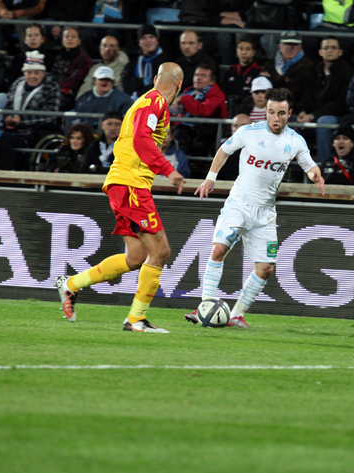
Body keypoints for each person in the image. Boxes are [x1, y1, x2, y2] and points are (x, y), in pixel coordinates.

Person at [55, 62, 187, 333]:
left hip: (121, 184)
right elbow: (141, 140)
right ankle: (136, 319)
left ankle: (72, 285)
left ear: (155, 78)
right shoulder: (156, 102)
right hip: (131, 185)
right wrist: (168, 170)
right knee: (161, 251)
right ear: (180, 86)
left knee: (137, 256)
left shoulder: (144, 101)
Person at [187, 87, 325, 329]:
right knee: (218, 250)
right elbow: (224, 151)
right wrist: (210, 178)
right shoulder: (248, 132)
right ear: (265, 111)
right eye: (271, 112)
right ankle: (206, 306)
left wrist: (316, 176)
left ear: (289, 113)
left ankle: (236, 315)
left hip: (265, 213)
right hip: (238, 204)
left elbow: (309, 165)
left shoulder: (295, 141)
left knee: (265, 269)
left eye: (281, 113)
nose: (275, 118)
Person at [296, 36, 354, 165]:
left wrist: (312, 116)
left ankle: (323, 166)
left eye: (333, 48)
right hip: (313, 116)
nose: (329, 51)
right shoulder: (315, 70)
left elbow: (340, 104)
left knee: (324, 122)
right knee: (290, 121)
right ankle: (288, 167)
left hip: (336, 117)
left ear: (340, 52)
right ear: (320, 52)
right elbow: (307, 96)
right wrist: (303, 112)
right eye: (326, 48)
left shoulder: (347, 72)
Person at [0, 50, 62, 143]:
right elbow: (9, 103)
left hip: (36, 130)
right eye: (29, 73)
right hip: (12, 128)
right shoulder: (17, 83)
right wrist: (7, 116)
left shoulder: (52, 86)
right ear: (24, 73)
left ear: (43, 73)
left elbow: (51, 115)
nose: (33, 76)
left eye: (36, 73)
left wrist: (21, 121)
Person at [170, 62, 227, 157]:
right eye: (196, 75)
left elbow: (202, 111)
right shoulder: (189, 91)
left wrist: (184, 99)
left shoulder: (217, 94)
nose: (198, 78)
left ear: (211, 81)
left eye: (203, 75)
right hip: (185, 131)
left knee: (179, 133)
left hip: (205, 135)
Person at [261, 30, 314, 109]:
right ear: (280, 46)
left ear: (300, 47)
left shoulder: (308, 66)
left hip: (295, 108)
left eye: (295, 44)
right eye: (286, 44)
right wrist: (285, 80)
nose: (290, 48)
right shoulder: (269, 64)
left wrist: (272, 79)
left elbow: (296, 91)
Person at [71, 66, 132, 130]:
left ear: (113, 82)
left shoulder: (124, 100)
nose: (105, 82)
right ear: (94, 80)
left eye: (108, 80)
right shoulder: (83, 99)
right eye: (101, 79)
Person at [122, 24, 171, 99]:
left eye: (151, 37)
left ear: (157, 41)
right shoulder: (134, 62)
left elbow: (160, 85)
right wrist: (142, 82)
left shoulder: (166, 61)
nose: (148, 40)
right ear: (139, 43)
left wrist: (139, 94)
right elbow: (126, 83)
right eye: (143, 38)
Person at [219, 34, 263, 115]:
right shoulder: (229, 71)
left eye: (248, 49)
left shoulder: (258, 73)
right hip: (230, 111)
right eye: (241, 49)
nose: (244, 52)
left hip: (250, 112)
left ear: (253, 52)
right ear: (236, 50)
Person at [51, 26, 93, 109]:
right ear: (62, 40)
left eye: (73, 37)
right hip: (57, 90)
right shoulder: (58, 57)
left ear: (79, 41)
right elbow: (53, 75)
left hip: (75, 93)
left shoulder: (84, 58)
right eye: (67, 37)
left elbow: (76, 80)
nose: (69, 39)